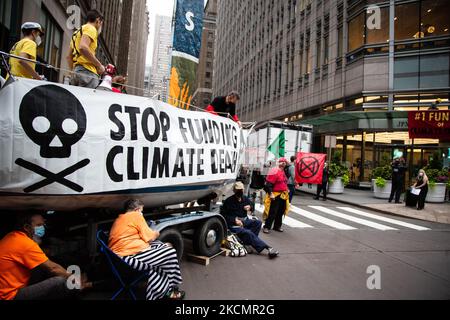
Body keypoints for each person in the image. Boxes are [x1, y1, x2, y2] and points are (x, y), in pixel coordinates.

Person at [0, 213, 91, 300]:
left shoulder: (13, 236)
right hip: (9, 296)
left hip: (10, 287)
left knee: (41, 266)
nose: (42, 228)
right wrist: (75, 279)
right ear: (27, 227)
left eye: (43, 224)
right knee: (59, 281)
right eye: (38, 225)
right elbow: (53, 268)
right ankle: (79, 288)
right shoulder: (25, 243)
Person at [108, 199, 184, 300]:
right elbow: (149, 237)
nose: (142, 213)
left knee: (159, 245)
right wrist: (156, 232)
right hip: (128, 259)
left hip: (117, 259)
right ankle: (169, 290)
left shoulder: (120, 218)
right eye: (141, 211)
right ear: (137, 209)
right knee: (170, 252)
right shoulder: (136, 216)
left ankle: (165, 287)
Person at [222, 182, 279, 259]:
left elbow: (252, 206)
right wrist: (234, 220)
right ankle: (268, 248)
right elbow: (223, 215)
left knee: (258, 223)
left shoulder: (245, 198)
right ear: (234, 190)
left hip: (245, 221)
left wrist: (250, 207)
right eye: (238, 190)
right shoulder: (229, 201)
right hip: (234, 224)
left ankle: (247, 243)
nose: (240, 191)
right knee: (248, 232)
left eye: (241, 190)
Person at [67, 10, 105, 88]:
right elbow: (83, 47)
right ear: (98, 20)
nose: (101, 26)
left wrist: (73, 72)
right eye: (101, 23)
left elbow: (68, 57)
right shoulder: (91, 28)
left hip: (76, 73)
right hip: (88, 74)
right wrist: (99, 65)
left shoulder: (77, 32)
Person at [263, 158, 290, 234]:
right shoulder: (274, 171)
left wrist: (286, 188)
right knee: (272, 212)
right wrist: (271, 193)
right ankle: (267, 227)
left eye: (284, 162)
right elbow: (268, 184)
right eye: (281, 162)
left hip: (283, 194)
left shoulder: (283, 171)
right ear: (278, 163)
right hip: (275, 194)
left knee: (281, 211)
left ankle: (277, 226)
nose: (283, 163)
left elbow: (284, 182)